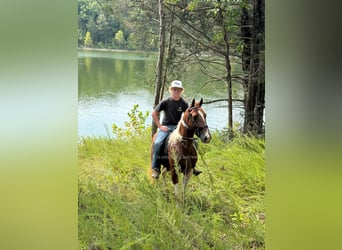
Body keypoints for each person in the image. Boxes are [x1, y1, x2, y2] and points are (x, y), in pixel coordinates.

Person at [151, 80, 202, 178]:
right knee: (158, 143)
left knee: (194, 142)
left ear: (181, 91)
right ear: (171, 90)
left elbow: (189, 114)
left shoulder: (183, 103)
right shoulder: (166, 101)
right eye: (174, 89)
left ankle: (192, 166)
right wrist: (160, 126)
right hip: (166, 127)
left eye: (178, 90)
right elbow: (154, 113)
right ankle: (156, 168)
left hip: (178, 127)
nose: (176, 91)